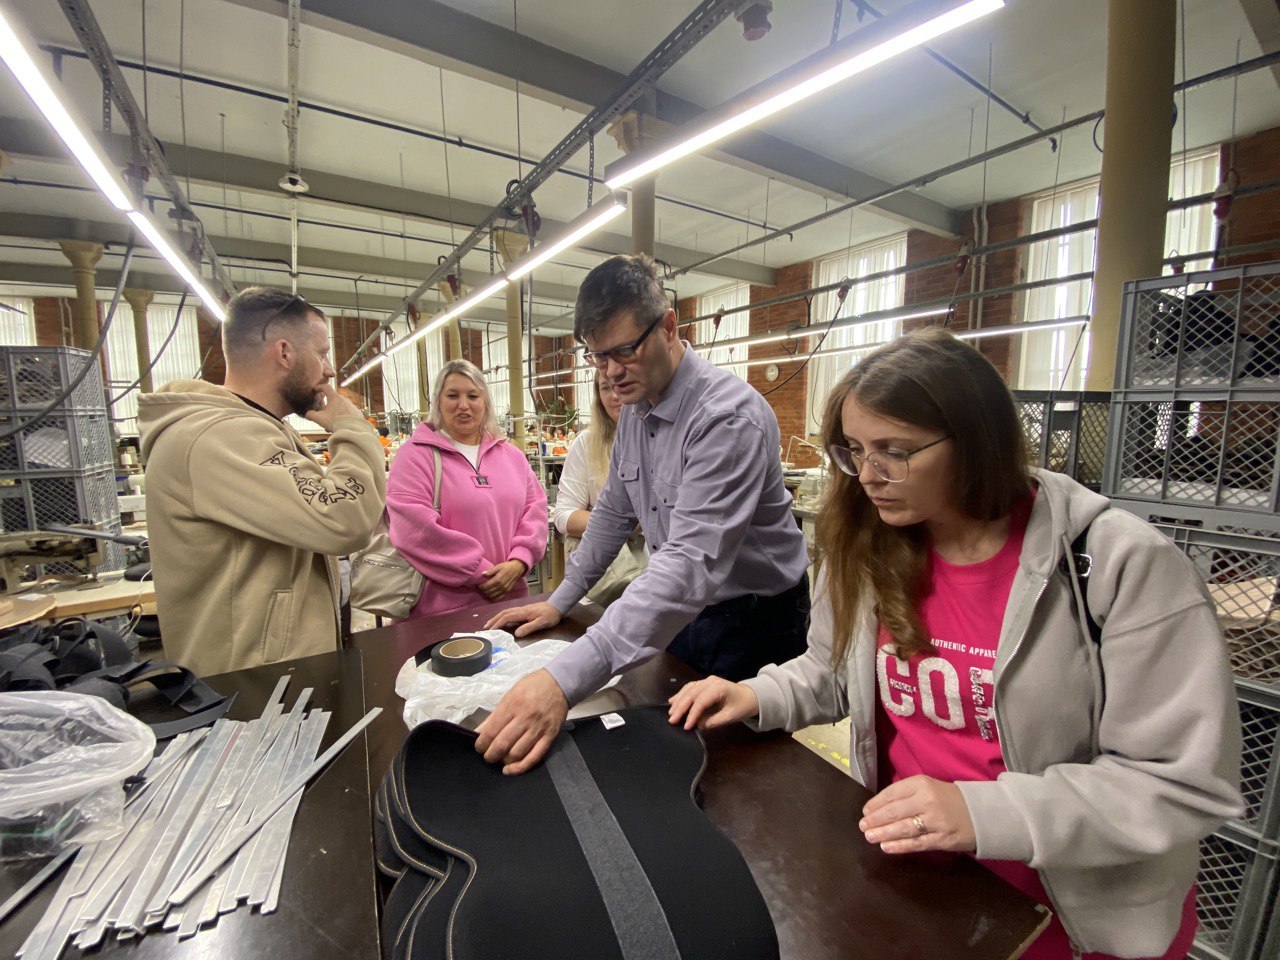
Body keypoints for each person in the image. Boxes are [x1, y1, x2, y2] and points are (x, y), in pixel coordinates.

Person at [667, 328, 1243, 960]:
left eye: (895, 452)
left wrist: (983, 813)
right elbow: (834, 672)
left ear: (976, 441)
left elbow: (1177, 782)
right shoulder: (869, 544)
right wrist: (756, 694)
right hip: (920, 880)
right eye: (855, 450)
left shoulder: (1117, 565)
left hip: (1071, 910)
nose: (868, 476)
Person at [478, 253, 810, 774]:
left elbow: (689, 563)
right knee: (674, 750)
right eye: (598, 357)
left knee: (741, 773)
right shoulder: (637, 409)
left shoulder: (726, 419)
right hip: (687, 611)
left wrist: (562, 680)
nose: (611, 373)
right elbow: (613, 513)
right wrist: (562, 599)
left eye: (624, 351)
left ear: (669, 327)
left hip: (755, 620)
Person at [139, 287, 386, 676]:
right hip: (253, 684)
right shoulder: (217, 437)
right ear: (284, 353)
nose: (329, 370)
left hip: (273, 673)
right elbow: (345, 518)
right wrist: (353, 428)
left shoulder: (255, 431)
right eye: (322, 353)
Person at [385, 359, 547, 618]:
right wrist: (480, 571)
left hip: (510, 599)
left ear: (485, 403)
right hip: (442, 611)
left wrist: (519, 560)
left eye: (473, 396)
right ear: (438, 401)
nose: (463, 405)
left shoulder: (512, 456)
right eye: (453, 396)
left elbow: (535, 511)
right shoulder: (415, 457)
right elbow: (414, 530)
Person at [552, 373, 647, 607]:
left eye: (622, 385)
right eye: (605, 388)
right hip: (615, 575)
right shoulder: (587, 444)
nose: (615, 395)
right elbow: (563, 515)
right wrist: (621, 522)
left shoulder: (659, 439)